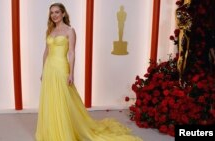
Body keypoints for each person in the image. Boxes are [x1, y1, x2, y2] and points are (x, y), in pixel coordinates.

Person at [35, 3, 142, 141]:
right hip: (49, 68)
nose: (54, 15)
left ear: (63, 14)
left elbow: (72, 53)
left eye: (57, 12)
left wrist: (71, 73)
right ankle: (52, 130)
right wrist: (43, 70)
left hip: (61, 67)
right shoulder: (50, 31)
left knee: (64, 99)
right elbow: (46, 52)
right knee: (51, 99)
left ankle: (64, 130)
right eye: (52, 13)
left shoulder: (70, 31)